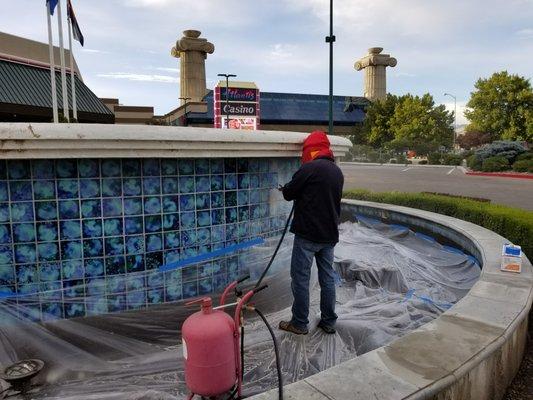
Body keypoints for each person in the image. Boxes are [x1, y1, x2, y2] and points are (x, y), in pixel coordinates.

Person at [278, 131, 344, 335]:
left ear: (310, 150)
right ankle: (329, 321)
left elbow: (289, 193)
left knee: (300, 279)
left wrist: (286, 188)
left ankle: (299, 323)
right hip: (329, 236)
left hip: (307, 236)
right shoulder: (337, 171)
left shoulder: (309, 168)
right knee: (327, 279)